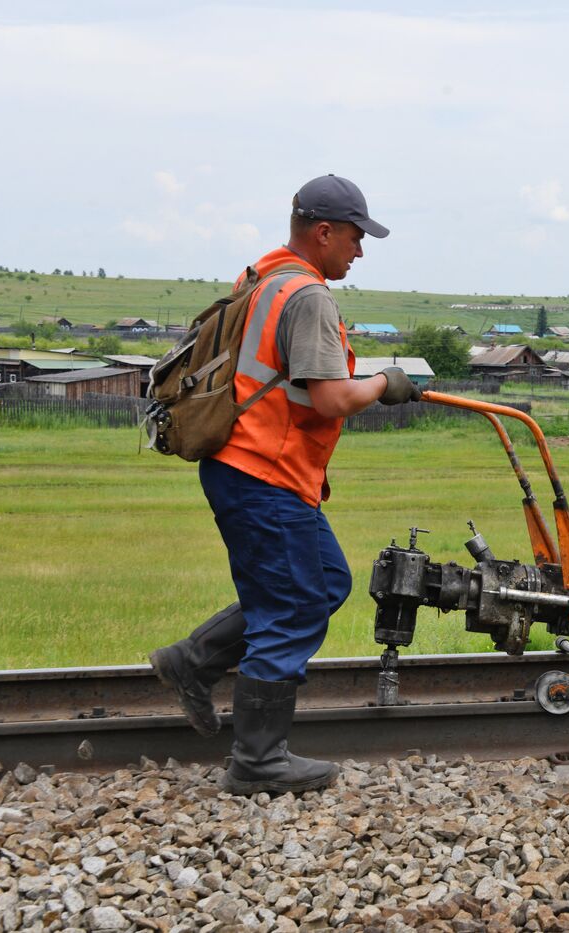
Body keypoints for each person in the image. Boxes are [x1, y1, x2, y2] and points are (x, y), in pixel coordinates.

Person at [149, 175, 422, 795]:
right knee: (294, 604)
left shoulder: (263, 280)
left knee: (324, 581)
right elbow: (329, 399)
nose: (360, 250)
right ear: (323, 231)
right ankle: (258, 762)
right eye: (356, 236)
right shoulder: (308, 296)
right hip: (262, 472)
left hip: (249, 470)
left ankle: (191, 662)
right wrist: (386, 383)